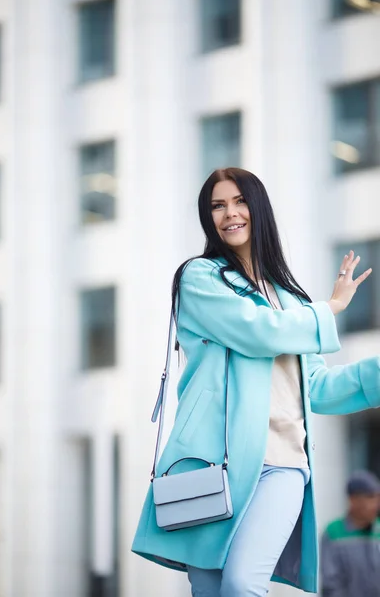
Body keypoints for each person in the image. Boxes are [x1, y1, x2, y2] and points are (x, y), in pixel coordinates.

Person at [131, 168, 380, 596]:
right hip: (211, 466)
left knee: (243, 584)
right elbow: (258, 332)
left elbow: (315, 386)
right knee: (209, 588)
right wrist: (331, 307)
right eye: (217, 205)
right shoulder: (200, 278)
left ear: (257, 208)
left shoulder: (291, 299)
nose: (230, 213)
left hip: (281, 463)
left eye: (239, 201)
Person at [321, 469, 380, 597]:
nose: (376, 505)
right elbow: (330, 584)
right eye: (370, 498)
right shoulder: (334, 532)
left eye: (377, 498)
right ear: (353, 500)